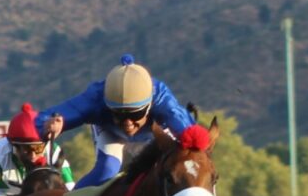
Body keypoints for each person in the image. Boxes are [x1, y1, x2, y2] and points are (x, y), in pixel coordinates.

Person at [38, 55, 194, 188]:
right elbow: (41, 118)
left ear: (150, 106)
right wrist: (49, 123)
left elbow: (193, 135)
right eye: (119, 113)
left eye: (135, 114)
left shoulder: (163, 102)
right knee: (107, 171)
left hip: (153, 134)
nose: (128, 123)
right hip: (111, 132)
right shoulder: (95, 100)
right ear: (107, 105)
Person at [0, 104, 73, 196]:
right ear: (13, 146)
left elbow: (72, 192)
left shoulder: (55, 152)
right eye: (26, 150)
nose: (32, 156)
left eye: (38, 149)